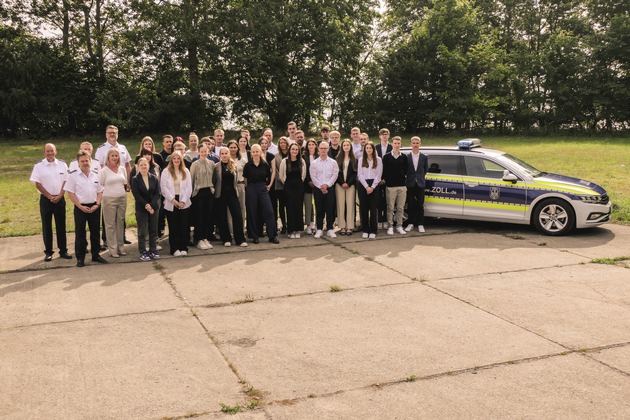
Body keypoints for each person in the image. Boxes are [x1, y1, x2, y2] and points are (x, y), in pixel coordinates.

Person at [64, 150, 108, 267]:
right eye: (82, 161)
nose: (85, 163)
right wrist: (80, 206)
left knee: (95, 232)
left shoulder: (96, 175)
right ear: (78, 163)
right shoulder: (73, 176)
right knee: (80, 233)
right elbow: (70, 193)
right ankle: (80, 258)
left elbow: (100, 191)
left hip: (94, 206)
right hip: (80, 207)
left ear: (90, 161)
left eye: (86, 160)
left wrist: (97, 204)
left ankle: (96, 255)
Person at [30, 143, 71, 262]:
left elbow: (67, 181)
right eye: (47, 151)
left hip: (60, 199)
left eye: (52, 151)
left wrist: (60, 195)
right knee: (47, 226)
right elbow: (37, 183)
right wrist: (49, 196)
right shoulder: (38, 166)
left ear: (56, 151)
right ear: (44, 152)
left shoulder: (62, 164)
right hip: (46, 200)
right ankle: (48, 252)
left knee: (61, 226)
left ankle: (63, 251)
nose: (50, 153)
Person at [95, 125, 132, 246]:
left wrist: (128, 182)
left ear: (118, 134)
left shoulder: (122, 148)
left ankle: (122, 236)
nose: (112, 134)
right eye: (110, 132)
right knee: (108, 216)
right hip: (107, 185)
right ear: (106, 134)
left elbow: (127, 165)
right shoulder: (101, 149)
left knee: (120, 215)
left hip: (120, 184)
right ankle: (106, 239)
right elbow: (97, 168)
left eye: (114, 132)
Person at [243, 144, 279, 244]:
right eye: (253, 152)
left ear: (260, 152)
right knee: (253, 212)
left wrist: (267, 186)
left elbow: (268, 176)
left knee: (269, 212)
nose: (255, 153)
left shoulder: (265, 165)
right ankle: (254, 236)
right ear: (251, 153)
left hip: (262, 188)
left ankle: (272, 236)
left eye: (257, 151)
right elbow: (245, 179)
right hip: (251, 188)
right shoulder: (247, 165)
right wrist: (249, 189)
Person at [213, 147, 247, 247]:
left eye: (226, 153)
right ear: (220, 155)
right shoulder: (216, 167)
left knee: (237, 216)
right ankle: (226, 239)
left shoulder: (233, 165)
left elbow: (235, 180)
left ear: (229, 154)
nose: (224, 155)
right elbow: (214, 181)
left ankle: (240, 239)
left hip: (233, 194)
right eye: (222, 153)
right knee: (222, 218)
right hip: (221, 195)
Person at [161, 151, 193, 256]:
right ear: (171, 160)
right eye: (174, 158)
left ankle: (183, 247)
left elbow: (189, 187)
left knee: (183, 225)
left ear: (181, 160)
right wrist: (173, 200)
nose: (176, 160)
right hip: (171, 201)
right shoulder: (166, 171)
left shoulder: (185, 171)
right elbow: (164, 188)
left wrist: (183, 200)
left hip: (183, 201)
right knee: (173, 226)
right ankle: (174, 249)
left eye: (178, 158)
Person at [99, 148, 128, 257]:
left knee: (120, 222)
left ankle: (121, 248)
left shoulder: (122, 169)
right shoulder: (104, 171)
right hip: (108, 199)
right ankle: (113, 249)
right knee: (110, 224)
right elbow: (100, 185)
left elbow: (125, 183)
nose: (115, 157)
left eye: (116, 155)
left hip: (122, 198)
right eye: (112, 156)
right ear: (108, 157)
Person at [131, 157, 161, 261]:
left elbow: (157, 193)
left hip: (153, 208)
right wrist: (147, 206)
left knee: (153, 230)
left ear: (148, 166)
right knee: (142, 231)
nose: (144, 166)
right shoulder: (135, 179)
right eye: (141, 165)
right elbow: (137, 195)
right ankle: (143, 252)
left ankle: (153, 250)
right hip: (141, 208)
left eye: (146, 164)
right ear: (138, 167)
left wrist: (152, 206)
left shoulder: (154, 178)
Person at [310, 141, 339, 238]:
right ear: (318, 149)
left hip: (329, 188)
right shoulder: (314, 163)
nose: (323, 150)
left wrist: (327, 185)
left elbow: (335, 174)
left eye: (325, 148)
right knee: (319, 210)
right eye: (321, 148)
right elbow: (313, 177)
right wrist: (321, 186)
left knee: (330, 209)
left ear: (328, 149)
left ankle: (330, 229)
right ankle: (319, 229)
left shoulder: (333, 162)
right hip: (318, 189)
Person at [190, 145, 215, 250]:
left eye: (206, 151)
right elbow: (191, 180)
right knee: (199, 216)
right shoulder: (194, 164)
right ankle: (199, 239)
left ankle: (205, 238)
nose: (204, 153)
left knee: (207, 216)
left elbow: (214, 178)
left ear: (208, 152)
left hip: (209, 192)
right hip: (198, 193)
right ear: (199, 152)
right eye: (202, 151)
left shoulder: (212, 163)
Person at [382, 136, 408, 235]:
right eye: (395, 143)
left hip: (401, 186)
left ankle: (399, 226)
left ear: (400, 144)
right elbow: (384, 171)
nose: (397, 145)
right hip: (390, 186)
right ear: (392, 144)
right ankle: (390, 226)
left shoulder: (404, 157)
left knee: (400, 208)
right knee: (390, 207)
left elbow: (406, 170)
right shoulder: (387, 157)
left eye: (398, 143)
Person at [279, 142, 306, 238]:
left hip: (299, 187)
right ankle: (291, 230)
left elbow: (303, 175)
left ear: (298, 151)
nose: (294, 151)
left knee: (298, 208)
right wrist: (287, 183)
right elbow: (281, 176)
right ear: (289, 150)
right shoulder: (284, 161)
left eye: (296, 149)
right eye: (292, 149)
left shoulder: (301, 161)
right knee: (290, 208)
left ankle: (297, 230)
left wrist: (299, 183)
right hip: (288, 187)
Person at [357, 142, 383, 239]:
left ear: (373, 149)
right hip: (363, 185)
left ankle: (373, 230)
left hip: (374, 185)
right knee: (363, 208)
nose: (368, 149)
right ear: (365, 150)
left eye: (370, 148)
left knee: (373, 209)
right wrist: (366, 186)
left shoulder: (378, 160)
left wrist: (372, 187)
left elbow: (378, 175)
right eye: (367, 148)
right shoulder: (361, 160)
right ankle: (365, 229)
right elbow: (360, 174)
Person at [405, 136, 428, 233]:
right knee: (410, 205)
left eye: (417, 143)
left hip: (420, 184)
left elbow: (425, 169)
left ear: (420, 144)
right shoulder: (407, 157)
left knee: (420, 205)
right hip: (410, 184)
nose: (415, 145)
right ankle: (410, 223)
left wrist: (419, 178)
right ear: (411, 144)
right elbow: (405, 170)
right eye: (413, 143)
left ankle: (420, 224)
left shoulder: (424, 157)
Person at [335, 139, 358, 235]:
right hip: (339, 184)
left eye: (348, 145)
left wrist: (348, 183)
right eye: (344, 145)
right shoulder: (337, 158)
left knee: (350, 205)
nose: (346, 147)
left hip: (350, 185)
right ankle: (342, 226)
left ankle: (350, 226)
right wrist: (342, 183)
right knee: (340, 205)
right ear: (342, 147)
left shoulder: (354, 159)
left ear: (350, 146)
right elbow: (336, 172)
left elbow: (354, 173)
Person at [375, 128, 392, 229]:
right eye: (382, 134)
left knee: (387, 200)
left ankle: (386, 219)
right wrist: (379, 178)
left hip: (389, 178)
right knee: (378, 200)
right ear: (379, 136)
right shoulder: (375, 147)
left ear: (389, 135)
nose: (384, 136)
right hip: (377, 178)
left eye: (386, 134)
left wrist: (385, 178)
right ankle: (379, 219)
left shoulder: (392, 146)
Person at [274, 137, 290, 234]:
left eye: (284, 142)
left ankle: (290, 223)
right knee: (281, 206)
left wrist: (288, 181)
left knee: (289, 205)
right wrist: (282, 180)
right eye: (281, 143)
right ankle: (283, 224)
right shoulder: (276, 156)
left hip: (290, 184)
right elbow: (275, 170)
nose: (282, 144)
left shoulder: (292, 154)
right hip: (279, 184)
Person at [302, 138, 318, 234]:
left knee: (318, 204)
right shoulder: (303, 157)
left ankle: (317, 224)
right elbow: (304, 171)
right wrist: (309, 181)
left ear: (315, 146)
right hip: (307, 184)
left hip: (318, 184)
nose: (311, 146)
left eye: (313, 144)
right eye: (309, 144)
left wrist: (316, 181)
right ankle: (309, 224)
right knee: (308, 204)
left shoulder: (319, 156)